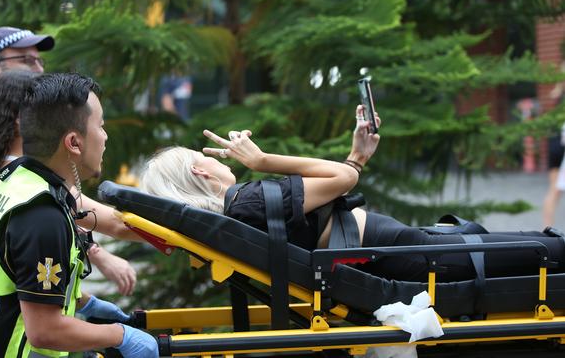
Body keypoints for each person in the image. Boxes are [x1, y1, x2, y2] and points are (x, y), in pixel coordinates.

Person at [141, 106, 565, 283]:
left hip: (401, 248)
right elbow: (343, 182)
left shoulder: (240, 210)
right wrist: (263, 160)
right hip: (405, 253)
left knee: (534, 246)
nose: (219, 159)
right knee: (546, 250)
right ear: (200, 170)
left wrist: (356, 157)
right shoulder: (247, 202)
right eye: (207, 157)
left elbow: (338, 180)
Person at [0, 26, 136, 333]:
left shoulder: (0, 146)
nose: (39, 69)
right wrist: (118, 334)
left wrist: (83, 299)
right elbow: (92, 222)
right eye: (27, 60)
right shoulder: (21, 181)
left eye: (39, 61)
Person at [0, 73, 158, 357]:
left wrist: (82, 301)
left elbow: (15, 281)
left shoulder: (19, 181)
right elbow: (45, 330)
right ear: (74, 143)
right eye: (100, 126)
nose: (105, 136)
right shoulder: (41, 213)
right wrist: (119, 335)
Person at [543, 122, 565, 227]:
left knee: (553, 191)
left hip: (558, 144)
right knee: (554, 192)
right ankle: (548, 227)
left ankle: (547, 228)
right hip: (561, 149)